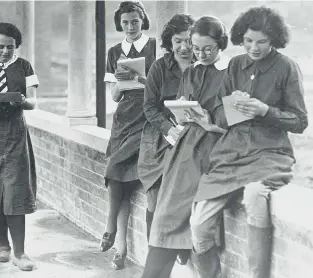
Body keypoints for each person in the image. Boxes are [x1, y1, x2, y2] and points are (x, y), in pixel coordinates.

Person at [189, 7, 308, 278]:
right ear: (240, 39)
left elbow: (300, 121)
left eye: (262, 42)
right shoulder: (234, 65)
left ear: (274, 40)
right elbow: (218, 115)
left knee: (255, 195)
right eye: (248, 41)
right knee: (198, 223)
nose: (254, 47)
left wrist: (264, 111)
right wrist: (233, 106)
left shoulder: (286, 67)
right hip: (230, 155)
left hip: (269, 153)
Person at [141, 16, 229, 278]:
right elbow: (181, 104)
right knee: (167, 217)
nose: (200, 54)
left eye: (207, 49)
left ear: (220, 45)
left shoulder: (232, 73)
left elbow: (235, 121)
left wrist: (210, 122)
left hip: (212, 148)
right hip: (185, 147)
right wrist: (182, 112)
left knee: (172, 218)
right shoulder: (190, 71)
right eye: (196, 48)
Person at [0, 22, 38, 271]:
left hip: (15, 134)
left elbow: (34, 102)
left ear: (16, 47)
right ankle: (3, 245)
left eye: (10, 47)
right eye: (0, 46)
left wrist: (23, 101)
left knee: (14, 192)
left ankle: (20, 252)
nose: (5, 51)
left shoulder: (24, 66)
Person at [100, 0, 156, 270]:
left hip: (147, 118)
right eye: (125, 22)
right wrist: (122, 80)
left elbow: (162, 86)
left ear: (142, 20)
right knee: (118, 183)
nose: (131, 26)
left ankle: (109, 228)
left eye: (135, 21)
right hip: (123, 119)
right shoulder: (114, 52)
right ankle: (120, 249)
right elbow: (113, 96)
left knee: (117, 172)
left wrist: (144, 81)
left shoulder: (154, 47)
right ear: (119, 24)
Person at [139, 13, 195, 242]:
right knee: (156, 193)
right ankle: (155, 246)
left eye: (189, 41)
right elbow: (149, 107)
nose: (184, 47)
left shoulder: (202, 67)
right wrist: (168, 128)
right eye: (178, 41)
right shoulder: (159, 68)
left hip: (193, 135)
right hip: (160, 137)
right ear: (169, 42)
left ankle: (181, 246)